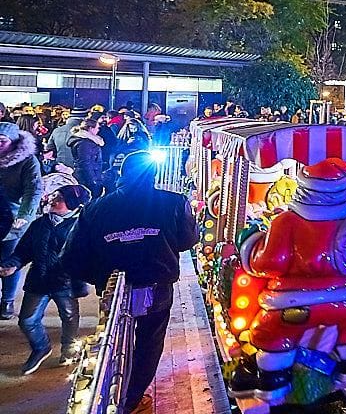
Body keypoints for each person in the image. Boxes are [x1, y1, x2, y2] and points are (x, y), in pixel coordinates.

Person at [64, 151, 198, 414]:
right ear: (153, 174)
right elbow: (187, 241)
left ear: (122, 174)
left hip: (113, 292)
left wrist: (101, 276)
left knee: (112, 345)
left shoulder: (96, 209)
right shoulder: (173, 203)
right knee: (149, 343)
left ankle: (118, 397)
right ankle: (131, 399)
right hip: (156, 287)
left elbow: (72, 258)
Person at [0, 184, 92, 373]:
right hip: (39, 280)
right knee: (27, 320)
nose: (52, 199)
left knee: (69, 317)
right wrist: (12, 265)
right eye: (53, 196)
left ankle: (69, 348)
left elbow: (89, 255)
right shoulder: (39, 224)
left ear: (71, 204)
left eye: (58, 199)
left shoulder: (82, 226)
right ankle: (41, 347)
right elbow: (23, 251)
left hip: (66, 282)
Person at [0, 123, 42, 319]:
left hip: (12, 217)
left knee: (8, 260)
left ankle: (7, 301)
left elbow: (33, 190)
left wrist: (24, 216)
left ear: (14, 142)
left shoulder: (27, 161)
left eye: (2, 141)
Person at [67, 117, 106, 199]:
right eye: (97, 128)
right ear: (91, 128)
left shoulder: (88, 141)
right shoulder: (84, 143)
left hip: (90, 176)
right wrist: (93, 180)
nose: (98, 130)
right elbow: (85, 163)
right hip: (87, 178)